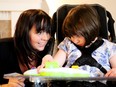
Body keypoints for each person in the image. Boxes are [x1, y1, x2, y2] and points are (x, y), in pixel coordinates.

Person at [38, 4, 116, 87]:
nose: (74, 40)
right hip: (73, 83)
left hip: (98, 84)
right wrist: (48, 62)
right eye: (71, 35)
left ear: (90, 30)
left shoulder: (108, 46)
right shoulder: (67, 43)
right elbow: (55, 64)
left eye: (78, 36)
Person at [0, 9, 54, 87]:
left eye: (48, 32)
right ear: (24, 31)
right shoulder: (3, 49)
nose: (45, 38)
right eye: (39, 32)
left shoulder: (47, 50)